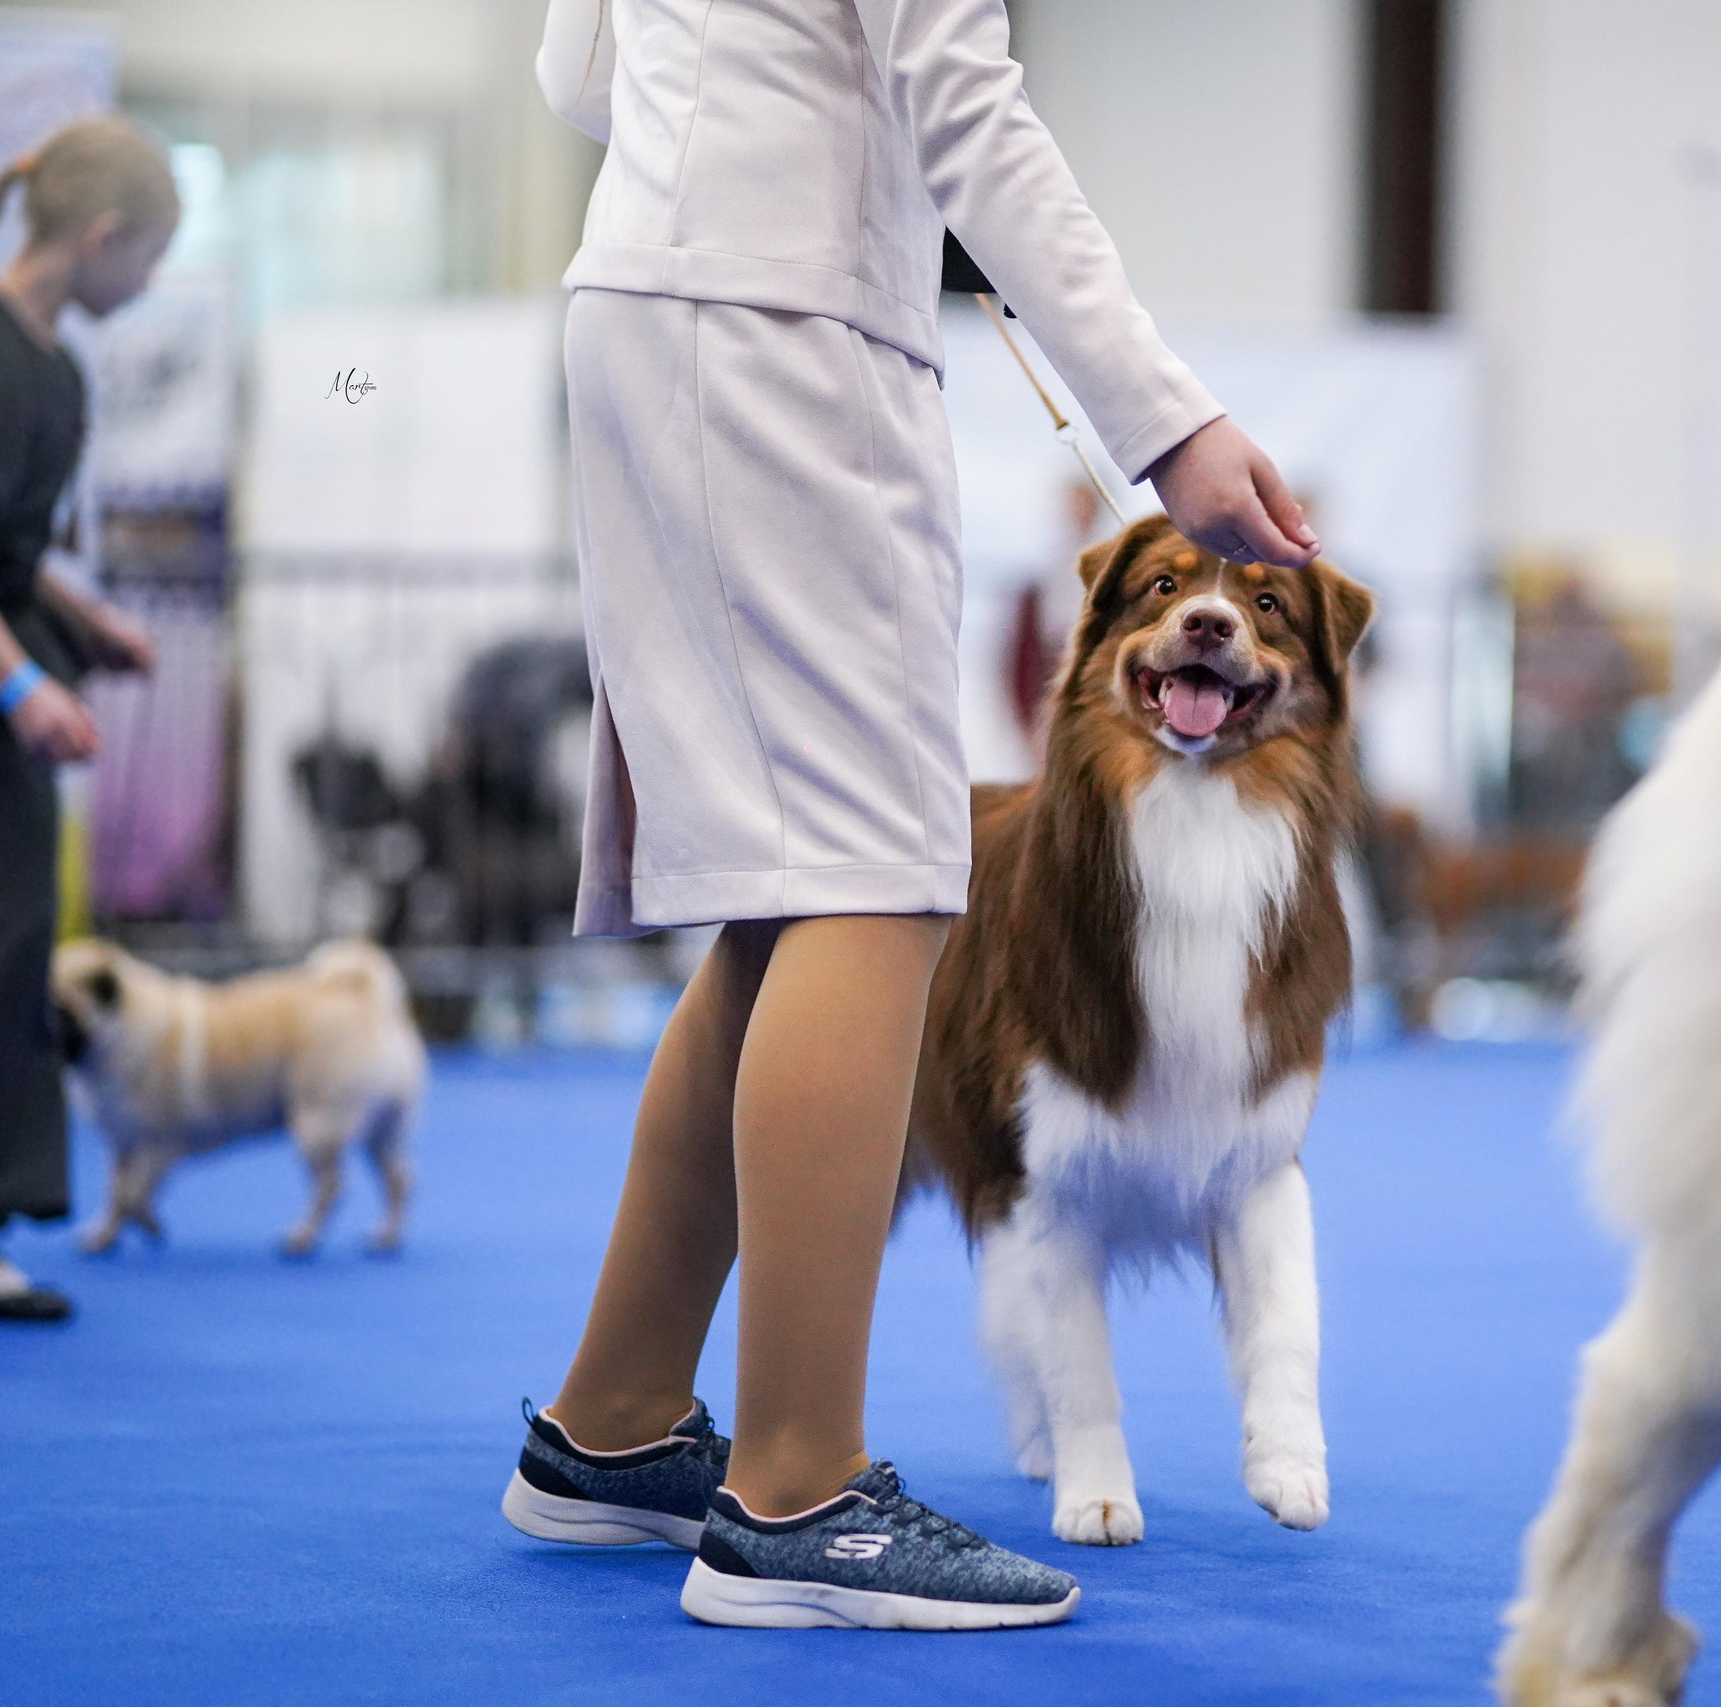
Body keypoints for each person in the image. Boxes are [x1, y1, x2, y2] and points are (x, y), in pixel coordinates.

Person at [509, 0, 1319, 1629]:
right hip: (780, 329)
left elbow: (576, 73)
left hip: (656, 301)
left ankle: (617, 1420)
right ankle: (798, 1491)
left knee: (785, 900)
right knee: (878, 879)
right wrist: (1169, 418)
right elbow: (966, 106)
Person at [0, 119, 170, 1325]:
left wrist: (80, 620)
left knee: (3, 939)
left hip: (2, 667)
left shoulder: (54, 368)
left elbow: (6, 549)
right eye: (148, 260)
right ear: (102, 238)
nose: (145, 286)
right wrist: (17, 686)